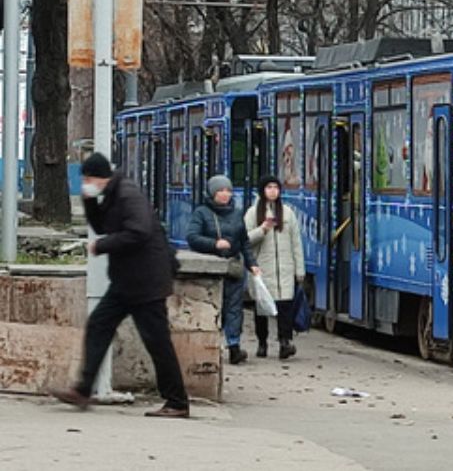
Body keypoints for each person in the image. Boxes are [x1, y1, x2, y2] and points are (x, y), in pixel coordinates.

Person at [50, 153, 190, 418]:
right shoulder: (114, 194)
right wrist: (89, 201)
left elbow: (139, 231)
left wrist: (101, 246)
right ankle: (83, 390)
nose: (86, 183)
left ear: (101, 176)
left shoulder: (127, 195)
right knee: (99, 324)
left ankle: (177, 401)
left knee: (157, 341)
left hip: (146, 282)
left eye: (89, 179)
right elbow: (102, 225)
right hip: (128, 281)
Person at [187, 174, 261, 364]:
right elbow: (192, 238)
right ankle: (210, 345)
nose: (225, 194)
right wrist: (214, 244)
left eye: (228, 190)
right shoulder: (201, 213)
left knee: (235, 308)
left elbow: (244, 242)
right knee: (213, 307)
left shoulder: (237, 214)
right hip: (212, 269)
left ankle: (234, 347)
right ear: (212, 193)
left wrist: (252, 264)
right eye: (220, 191)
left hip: (234, 268)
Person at [244, 175, 306, 360]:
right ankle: (262, 343)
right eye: (269, 187)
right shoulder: (253, 213)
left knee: (285, 308)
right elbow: (245, 240)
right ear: (262, 191)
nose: (273, 191)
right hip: (262, 269)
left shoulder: (287, 213)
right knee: (262, 309)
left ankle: (284, 342)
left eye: (276, 187)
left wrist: (299, 270)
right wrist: (262, 229)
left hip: (285, 270)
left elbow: (296, 242)